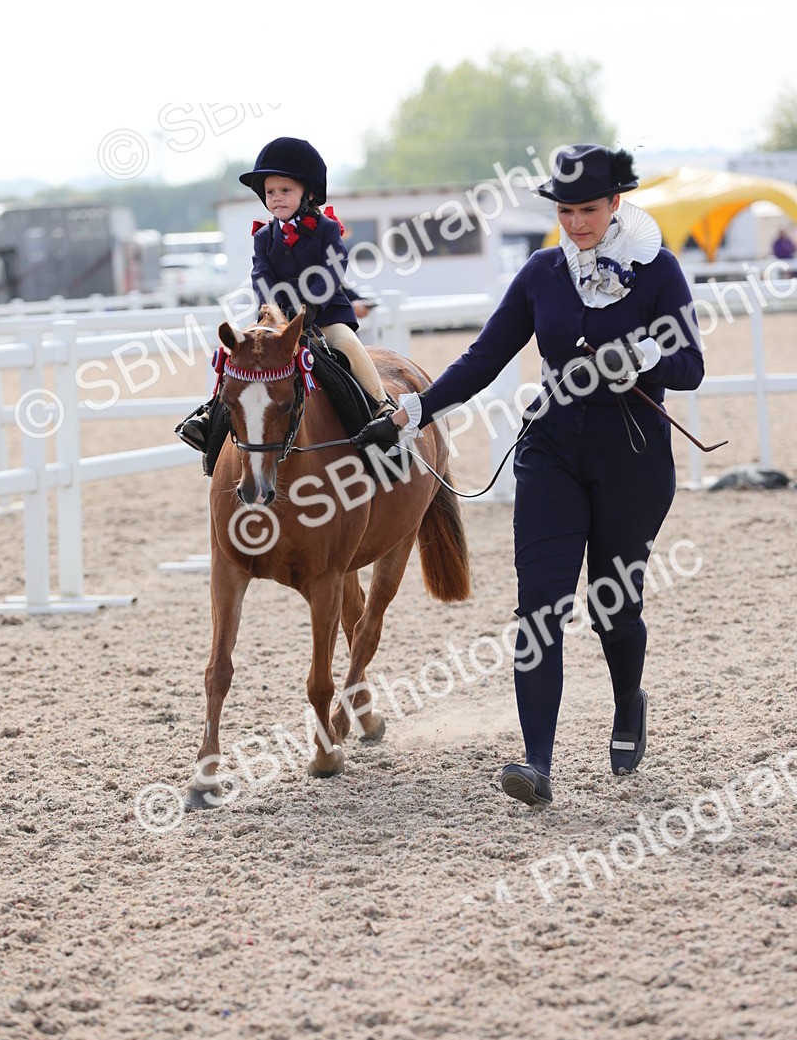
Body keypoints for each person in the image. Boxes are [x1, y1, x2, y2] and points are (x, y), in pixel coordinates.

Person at [352, 145, 705, 810]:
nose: (576, 223)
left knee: (614, 606)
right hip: (551, 451)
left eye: (588, 210)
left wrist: (645, 357)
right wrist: (415, 409)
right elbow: (484, 356)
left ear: (615, 204)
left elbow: (692, 367)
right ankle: (536, 762)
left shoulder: (658, 270)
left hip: (631, 458)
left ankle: (628, 700)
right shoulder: (543, 272)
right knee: (540, 606)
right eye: (565, 211)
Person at [176, 137, 393, 455]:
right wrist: (274, 312)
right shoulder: (264, 236)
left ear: (308, 193)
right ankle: (211, 415)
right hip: (275, 320)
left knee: (349, 346)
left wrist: (308, 309)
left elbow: (333, 270)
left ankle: (380, 407)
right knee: (239, 359)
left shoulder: (326, 229)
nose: (276, 197)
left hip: (324, 315)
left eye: (285, 190)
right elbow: (261, 276)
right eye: (270, 192)